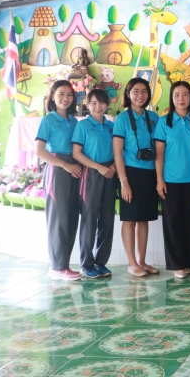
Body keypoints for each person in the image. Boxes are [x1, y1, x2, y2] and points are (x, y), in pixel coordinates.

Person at [154, 81, 190, 278]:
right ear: (172, 98)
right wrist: (159, 180)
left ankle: (187, 262)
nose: (181, 98)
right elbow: (159, 154)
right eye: (177, 95)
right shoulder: (164, 122)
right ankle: (176, 264)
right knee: (172, 222)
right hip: (170, 180)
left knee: (189, 222)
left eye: (185, 94)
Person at [112, 78, 160, 277]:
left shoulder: (154, 117)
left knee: (144, 219)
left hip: (150, 172)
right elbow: (117, 153)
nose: (140, 95)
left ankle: (142, 261)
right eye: (136, 91)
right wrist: (124, 182)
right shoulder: (122, 119)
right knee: (130, 218)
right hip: (130, 173)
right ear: (128, 94)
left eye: (144, 91)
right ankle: (131, 263)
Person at [35, 80, 81, 281]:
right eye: (61, 94)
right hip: (58, 169)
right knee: (58, 219)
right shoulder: (48, 120)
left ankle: (64, 265)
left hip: (75, 169)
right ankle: (57, 267)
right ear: (52, 97)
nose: (65, 98)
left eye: (69, 94)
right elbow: (39, 151)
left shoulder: (74, 121)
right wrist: (64, 165)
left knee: (71, 218)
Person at [71, 89, 116, 278]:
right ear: (87, 105)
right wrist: (98, 167)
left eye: (102, 103)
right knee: (89, 218)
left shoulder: (112, 126)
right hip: (91, 173)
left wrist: (113, 167)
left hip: (111, 172)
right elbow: (76, 153)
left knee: (107, 219)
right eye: (94, 103)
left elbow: (120, 149)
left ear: (107, 104)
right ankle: (87, 263)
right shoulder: (83, 126)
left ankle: (101, 262)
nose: (98, 107)